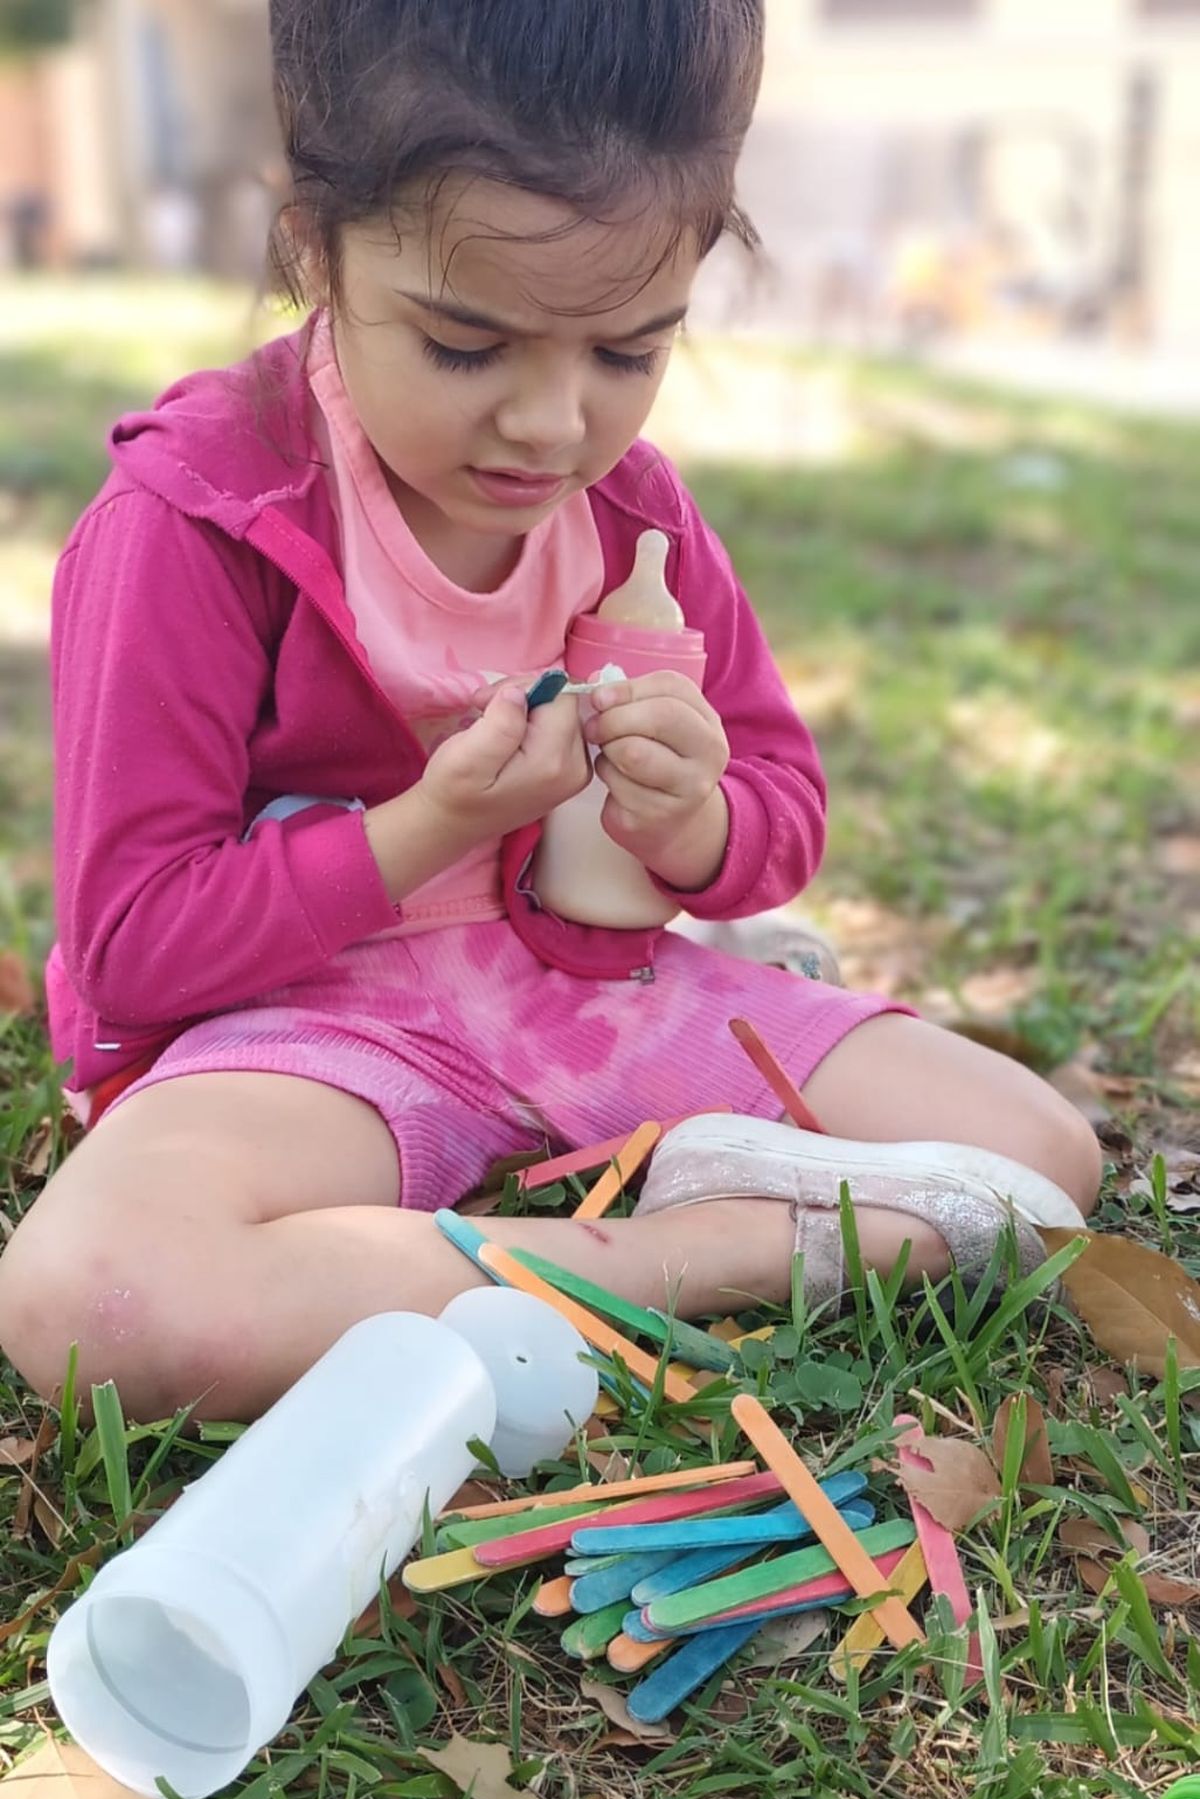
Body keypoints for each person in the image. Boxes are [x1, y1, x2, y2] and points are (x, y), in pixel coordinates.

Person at [0, 0, 1100, 1426]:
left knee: (1037, 1155)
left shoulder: (633, 516)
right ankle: (702, 1252)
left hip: (587, 997)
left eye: (627, 354)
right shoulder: (202, 519)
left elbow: (778, 802)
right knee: (93, 1302)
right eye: (468, 346)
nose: (551, 424)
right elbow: (136, 946)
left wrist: (695, 823)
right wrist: (428, 825)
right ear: (316, 247)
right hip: (310, 1035)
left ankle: (567, 1229)